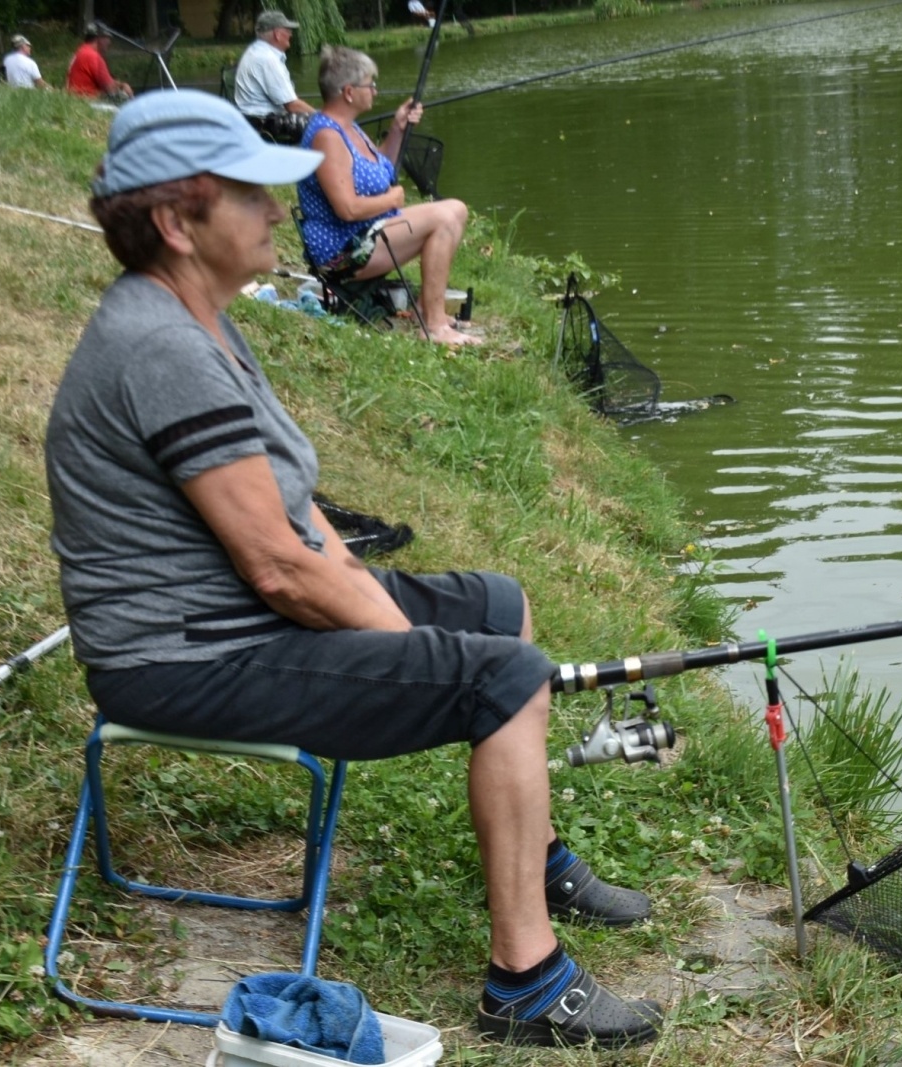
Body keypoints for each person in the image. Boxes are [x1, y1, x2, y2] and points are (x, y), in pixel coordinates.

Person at [45, 89, 661, 1049]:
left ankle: (534, 856)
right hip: (186, 656)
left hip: (239, 617)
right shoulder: (160, 345)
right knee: (501, 674)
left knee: (500, 607)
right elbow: (280, 571)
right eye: (252, 196)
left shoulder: (197, 313)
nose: (280, 211)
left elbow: (300, 526)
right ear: (176, 222)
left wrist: (412, 629)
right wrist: (420, 650)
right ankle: (526, 983)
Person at [297, 46, 477, 347]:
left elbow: (380, 171)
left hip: (366, 235)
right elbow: (347, 208)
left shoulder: (348, 127)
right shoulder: (327, 136)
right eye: (371, 84)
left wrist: (398, 129)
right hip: (343, 253)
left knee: (456, 209)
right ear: (349, 92)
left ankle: (426, 309)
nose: (376, 91)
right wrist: (391, 202)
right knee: (444, 217)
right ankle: (433, 327)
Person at [235, 8, 315, 144]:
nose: (291, 34)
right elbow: (293, 106)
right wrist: (327, 118)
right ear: (277, 34)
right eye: (288, 30)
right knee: (326, 129)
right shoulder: (267, 59)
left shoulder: (254, 51)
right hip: (265, 125)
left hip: (251, 120)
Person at [66, 23, 132, 101]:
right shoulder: (93, 57)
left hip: (75, 100)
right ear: (99, 38)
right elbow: (110, 89)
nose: (109, 42)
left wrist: (118, 84)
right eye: (107, 38)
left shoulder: (80, 51)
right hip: (89, 101)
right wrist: (123, 86)